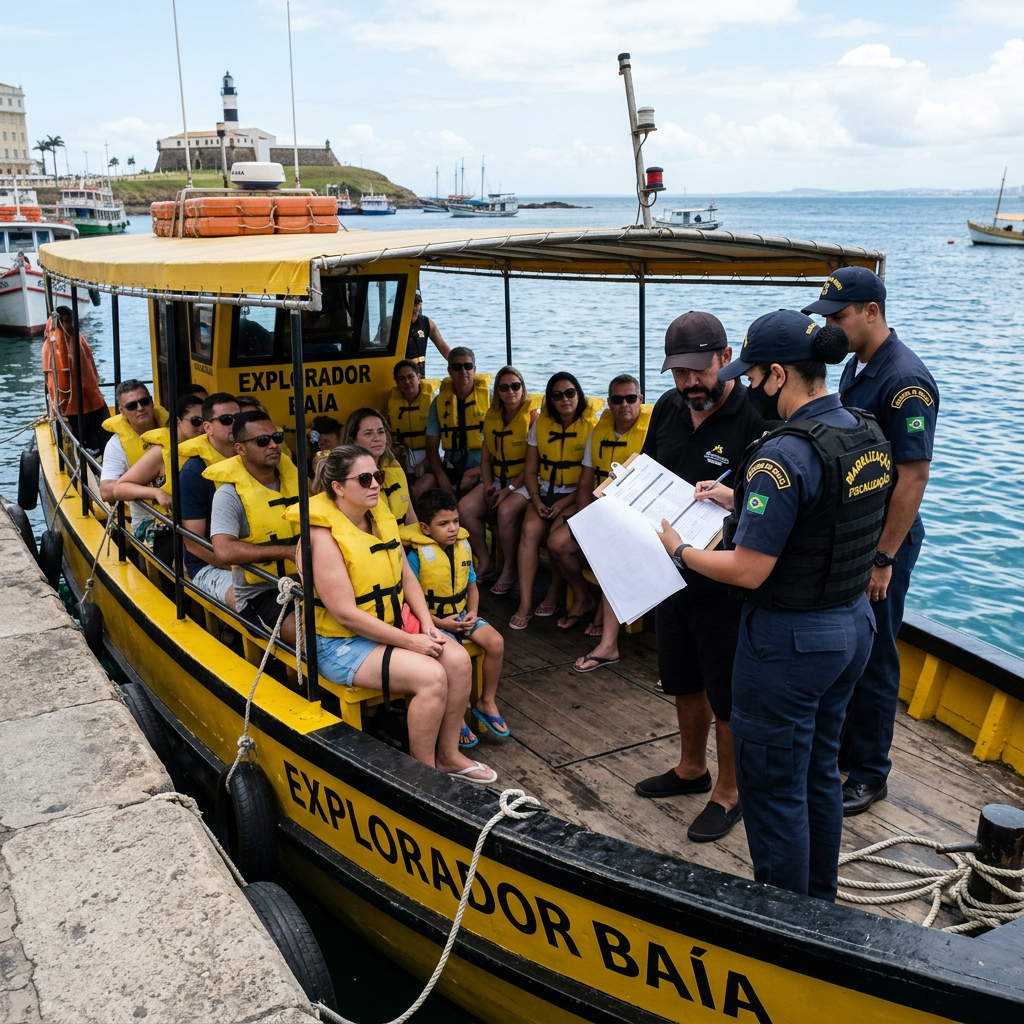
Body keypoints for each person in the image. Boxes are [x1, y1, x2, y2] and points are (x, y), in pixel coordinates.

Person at [659, 309, 888, 900]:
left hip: (790, 643)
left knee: (773, 789)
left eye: (756, 377)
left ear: (779, 375)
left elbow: (748, 568)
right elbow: (822, 514)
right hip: (852, 626)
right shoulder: (861, 430)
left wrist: (681, 550)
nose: (754, 388)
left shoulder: (780, 456)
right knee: (817, 773)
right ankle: (821, 897)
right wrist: (739, 496)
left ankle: (786, 915)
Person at [802, 267, 939, 816]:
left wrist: (883, 558)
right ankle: (840, 752)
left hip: (884, 542)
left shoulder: (904, 380)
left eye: (839, 316)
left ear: (871, 312)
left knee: (876, 654)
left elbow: (913, 477)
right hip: (854, 536)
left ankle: (870, 774)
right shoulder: (859, 367)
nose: (832, 326)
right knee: (849, 649)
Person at [632, 312, 765, 844]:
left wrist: (733, 500)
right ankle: (692, 769)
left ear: (724, 357)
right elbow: (645, 470)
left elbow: (770, 506)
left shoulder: (754, 416)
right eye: (678, 373)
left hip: (725, 581)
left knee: (726, 692)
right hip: (670, 572)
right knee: (681, 677)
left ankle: (729, 793)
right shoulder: (667, 408)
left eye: (697, 371)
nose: (689, 384)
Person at [287, 446, 496, 784]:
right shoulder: (320, 537)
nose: (376, 485)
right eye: (365, 478)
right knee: (430, 677)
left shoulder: (379, 517)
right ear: (338, 487)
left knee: (457, 661)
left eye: (378, 477)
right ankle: (425, 773)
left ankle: (449, 755)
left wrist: (427, 625)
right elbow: (346, 614)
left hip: (392, 625)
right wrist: (411, 642)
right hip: (341, 642)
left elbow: (406, 575)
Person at [547, 373, 651, 640]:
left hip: (633, 521)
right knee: (557, 543)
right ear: (609, 402)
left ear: (640, 399)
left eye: (630, 398)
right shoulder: (598, 433)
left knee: (611, 551)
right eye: (617, 399)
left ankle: (606, 613)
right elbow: (585, 482)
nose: (624, 405)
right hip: (599, 512)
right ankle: (583, 598)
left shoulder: (653, 435)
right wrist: (586, 520)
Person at [405, 489, 509, 750]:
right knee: (456, 659)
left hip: (462, 615)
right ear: (425, 528)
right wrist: (442, 624)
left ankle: (486, 701)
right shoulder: (416, 557)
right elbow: (411, 602)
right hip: (433, 621)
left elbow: (472, 585)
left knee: (495, 642)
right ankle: (457, 716)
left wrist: (473, 611)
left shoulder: (463, 546)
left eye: (456, 522)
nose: (452, 529)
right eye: (443, 524)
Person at [509, 372, 601, 630]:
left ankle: (555, 593)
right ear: (550, 399)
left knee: (554, 534)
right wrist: (536, 500)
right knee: (528, 531)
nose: (564, 399)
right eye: (557, 395)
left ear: (579, 395)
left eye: (570, 393)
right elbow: (530, 471)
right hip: (544, 492)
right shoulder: (541, 425)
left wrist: (563, 503)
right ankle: (525, 603)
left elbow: (586, 481)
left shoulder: (591, 427)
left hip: (572, 495)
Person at [205, 410, 301, 648]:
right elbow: (224, 551)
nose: (273, 445)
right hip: (261, 594)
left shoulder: (296, 480)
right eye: (262, 441)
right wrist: (286, 552)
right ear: (241, 449)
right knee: (309, 642)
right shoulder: (228, 495)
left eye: (277, 437)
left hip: (309, 582)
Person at [457, 365, 539, 588]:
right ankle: (485, 561)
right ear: (498, 391)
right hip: (495, 480)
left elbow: (534, 465)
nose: (510, 391)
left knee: (505, 511)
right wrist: (487, 488)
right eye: (504, 387)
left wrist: (509, 490)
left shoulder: (533, 418)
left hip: (522, 484)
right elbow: (485, 459)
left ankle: (509, 568)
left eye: (515, 386)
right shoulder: (492, 417)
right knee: (465, 509)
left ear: (523, 388)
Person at [110, 393, 204, 562]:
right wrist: (156, 493)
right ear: (178, 422)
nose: (202, 428)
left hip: (198, 522)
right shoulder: (161, 452)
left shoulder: (209, 449)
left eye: (207, 422)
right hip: (164, 526)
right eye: (196, 422)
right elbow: (119, 488)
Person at [178, 392, 241, 608]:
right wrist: (239, 569)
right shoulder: (194, 471)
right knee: (248, 598)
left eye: (238, 418)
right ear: (208, 427)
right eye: (225, 420)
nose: (234, 424)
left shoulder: (251, 458)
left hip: (254, 557)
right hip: (207, 565)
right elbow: (193, 543)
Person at [99, 380, 170, 529]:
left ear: (152, 402)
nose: (140, 408)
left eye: (144, 402)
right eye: (132, 406)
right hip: (149, 520)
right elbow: (106, 491)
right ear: (122, 411)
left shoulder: (175, 428)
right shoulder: (116, 445)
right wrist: (153, 491)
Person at [424, 348, 492, 498]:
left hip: (484, 468)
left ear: (474, 369)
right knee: (421, 488)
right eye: (457, 367)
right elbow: (431, 448)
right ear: (449, 370)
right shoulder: (439, 403)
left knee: (465, 506)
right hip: (451, 467)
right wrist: (442, 478)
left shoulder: (491, 400)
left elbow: (504, 445)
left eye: (467, 366)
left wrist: (477, 471)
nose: (463, 371)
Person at [41, 306, 109, 452]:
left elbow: (91, 362)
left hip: (93, 399)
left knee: (104, 438)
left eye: (71, 320)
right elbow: (49, 379)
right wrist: (55, 407)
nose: (70, 324)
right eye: (66, 321)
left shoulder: (78, 337)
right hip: (72, 407)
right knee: (79, 445)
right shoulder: (52, 346)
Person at [342, 408, 418, 526]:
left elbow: (411, 518)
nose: (377, 438)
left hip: (404, 540)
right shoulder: (347, 478)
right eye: (368, 433)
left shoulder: (394, 467)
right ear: (352, 441)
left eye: (381, 432)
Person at [386, 359, 440, 496]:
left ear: (419, 377)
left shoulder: (435, 403)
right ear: (396, 382)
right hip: (403, 458)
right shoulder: (392, 405)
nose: (407, 382)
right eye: (402, 379)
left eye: (410, 377)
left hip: (431, 459)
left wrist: (425, 462)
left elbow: (443, 443)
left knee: (416, 491)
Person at [406, 289, 451, 377]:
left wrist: (457, 363)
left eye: (416, 304)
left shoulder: (427, 323)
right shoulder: (393, 323)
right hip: (401, 372)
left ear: (420, 304)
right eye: (410, 303)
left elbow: (442, 345)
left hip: (419, 373)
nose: (414, 308)